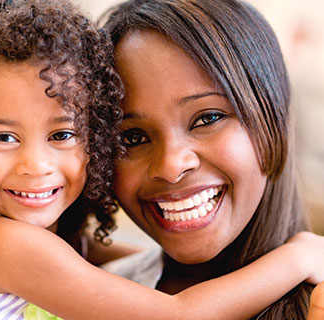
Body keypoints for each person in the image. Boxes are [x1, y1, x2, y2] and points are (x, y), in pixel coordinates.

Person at [0, 0, 324, 319]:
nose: (36, 164)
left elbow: (112, 264)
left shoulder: (48, 246)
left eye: (62, 133)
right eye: (3, 137)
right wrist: (301, 254)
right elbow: (179, 316)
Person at [102, 0, 323, 318]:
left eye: (207, 118)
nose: (171, 166)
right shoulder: (86, 297)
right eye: (132, 137)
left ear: (274, 115)